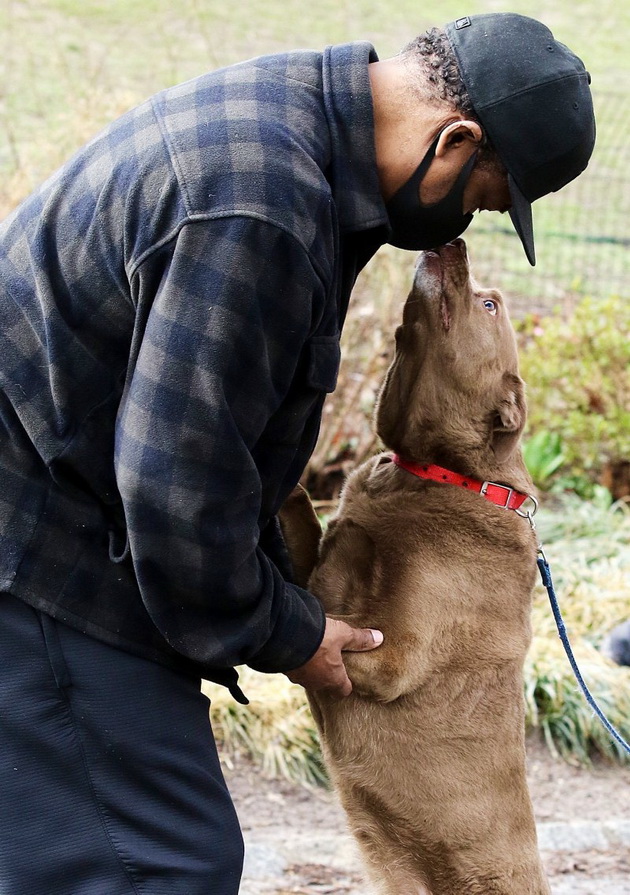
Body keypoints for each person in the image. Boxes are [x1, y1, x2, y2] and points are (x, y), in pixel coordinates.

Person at [0, 12, 594, 895]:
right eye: (480, 197)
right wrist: (287, 631)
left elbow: (220, 428)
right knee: (157, 863)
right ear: (456, 139)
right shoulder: (263, 207)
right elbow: (174, 488)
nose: (459, 229)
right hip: (39, 543)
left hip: (73, 511)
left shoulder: (300, 131)